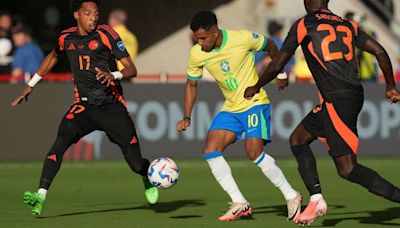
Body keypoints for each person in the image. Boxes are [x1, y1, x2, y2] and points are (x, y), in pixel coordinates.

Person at [244, 0, 400, 225]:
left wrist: (257, 86)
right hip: (342, 97)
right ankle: (316, 198)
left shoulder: (304, 24)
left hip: (338, 100)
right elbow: (380, 51)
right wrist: (390, 86)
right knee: (298, 139)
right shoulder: (348, 25)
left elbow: (278, 64)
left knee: (348, 169)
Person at [11, 0, 158, 216]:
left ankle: (147, 177)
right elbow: (53, 56)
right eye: (88, 13)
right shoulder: (66, 37)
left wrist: (113, 75)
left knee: (135, 163)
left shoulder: (107, 34)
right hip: (83, 106)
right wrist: (30, 84)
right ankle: (40, 195)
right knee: (59, 143)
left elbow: (131, 69)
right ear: (76, 15)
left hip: (111, 106)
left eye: (96, 13)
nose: (93, 18)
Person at [176, 10, 302, 222]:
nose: (200, 43)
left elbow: (271, 45)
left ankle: (292, 196)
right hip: (231, 107)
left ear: (215, 32)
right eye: (196, 38)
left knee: (253, 152)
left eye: (203, 38)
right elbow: (191, 84)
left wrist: (280, 73)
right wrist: (187, 116)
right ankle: (239, 202)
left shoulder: (242, 38)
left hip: (254, 103)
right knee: (210, 149)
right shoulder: (197, 53)